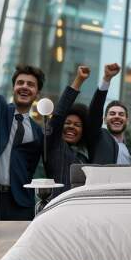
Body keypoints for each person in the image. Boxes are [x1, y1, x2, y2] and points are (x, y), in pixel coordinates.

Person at [0, 65, 44, 220]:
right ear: (13, 87)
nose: (24, 87)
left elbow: (30, 169)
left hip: (20, 204)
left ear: (37, 93)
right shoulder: (0, 111)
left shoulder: (37, 132)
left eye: (30, 84)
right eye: (20, 83)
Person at [45, 65, 90, 197]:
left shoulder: (84, 156)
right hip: (57, 205)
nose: (71, 127)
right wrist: (79, 80)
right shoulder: (54, 144)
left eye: (77, 125)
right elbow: (59, 114)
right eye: (67, 123)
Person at [88, 63, 131, 164]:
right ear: (104, 119)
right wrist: (106, 79)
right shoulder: (98, 138)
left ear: (127, 121)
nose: (117, 116)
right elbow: (94, 113)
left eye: (121, 114)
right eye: (112, 113)